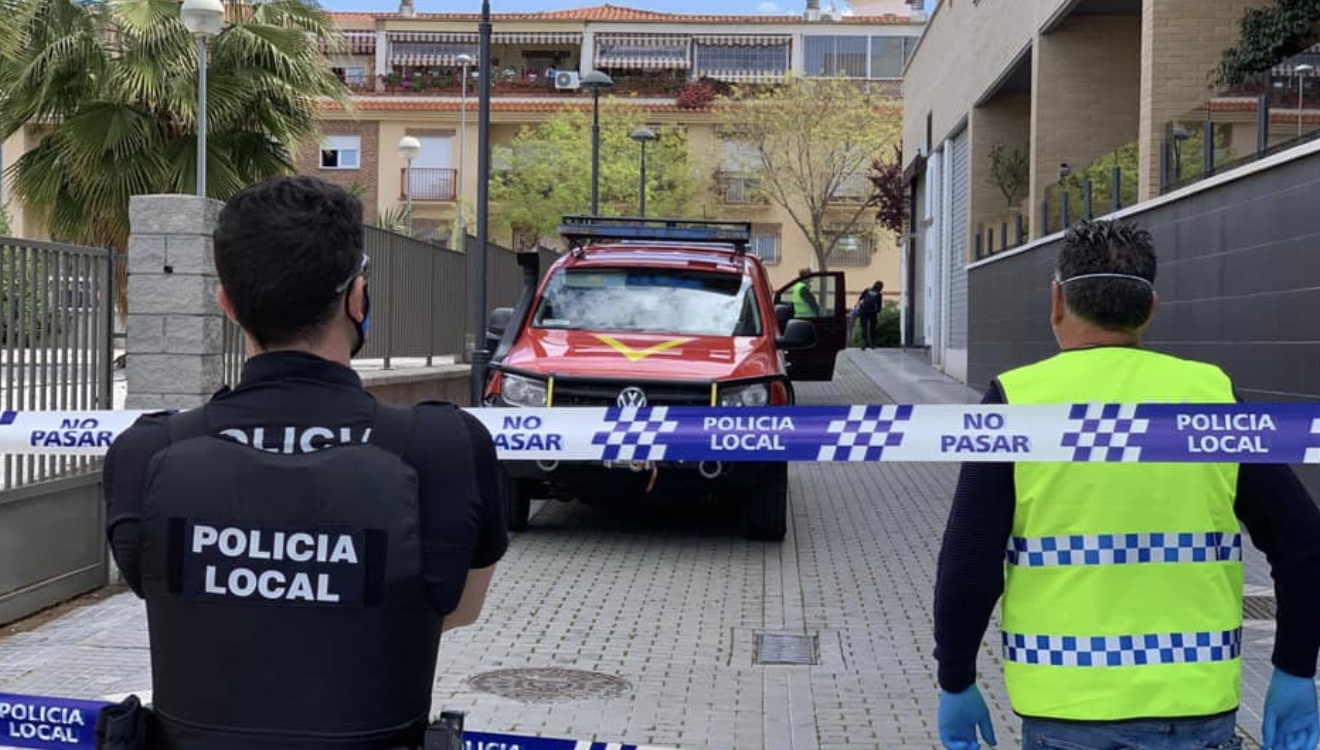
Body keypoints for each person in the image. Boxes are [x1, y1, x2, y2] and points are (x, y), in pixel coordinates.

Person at [103, 176, 507, 750]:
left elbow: (176, 604)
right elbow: (454, 610)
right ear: (358, 298)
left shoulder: (148, 454)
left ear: (227, 303)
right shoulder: (444, 450)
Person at [934, 219, 1320, 750]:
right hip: (1194, 709)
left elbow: (969, 562)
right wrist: (1296, 670)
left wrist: (956, 677)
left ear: (1057, 302)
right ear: (1151, 307)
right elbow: (1303, 543)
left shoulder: (1017, 401)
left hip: (1064, 708)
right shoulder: (1211, 396)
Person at [855, 280, 883, 349]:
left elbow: (860, 298)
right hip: (873, 312)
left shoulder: (867, 290)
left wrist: (857, 306)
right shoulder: (879, 294)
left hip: (863, 311)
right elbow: (879, 305)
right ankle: (873, 344)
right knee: (872, 328)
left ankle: (864, 344)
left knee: (864, 327)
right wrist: (878, 311)